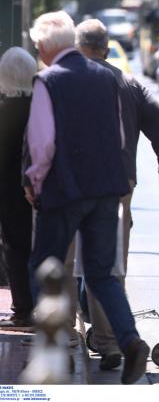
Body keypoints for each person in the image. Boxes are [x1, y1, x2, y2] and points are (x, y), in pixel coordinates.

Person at [24, 11, 150, 384]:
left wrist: (34, 182)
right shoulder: (107, 77)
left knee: (45, 267)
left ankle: (51, 347)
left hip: (64, 191)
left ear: (47, 46)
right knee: (101, 274)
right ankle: (128, 340)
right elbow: (121, 139)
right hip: (106, 189)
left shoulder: (48, 80)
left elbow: (42, 145)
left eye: (38, 46)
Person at [76, 19, 159, 371]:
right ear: (106, 48)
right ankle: (109, 342)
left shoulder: (65, 79)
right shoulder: (129, 82)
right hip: (118, 185)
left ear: (78, 47)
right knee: (107, 265)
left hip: (70, 186)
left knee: (61, 262)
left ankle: (68, 334)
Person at [0, 47, 38, 330]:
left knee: (15, 247)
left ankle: (23, 308)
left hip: (10, 193)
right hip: (40, 188)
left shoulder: (5, 111)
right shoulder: (42, 106)